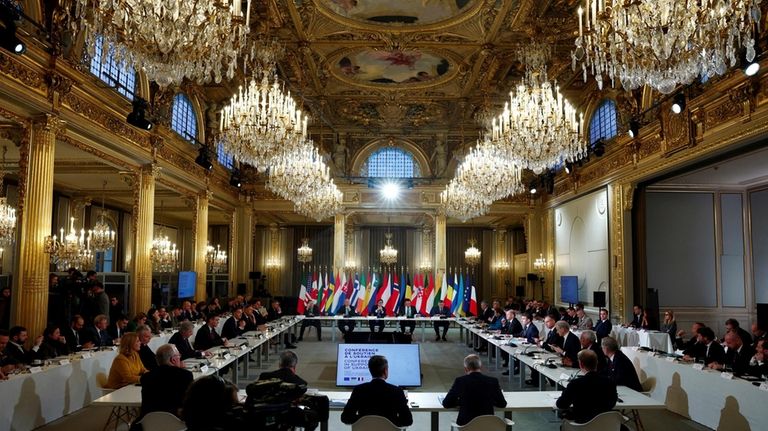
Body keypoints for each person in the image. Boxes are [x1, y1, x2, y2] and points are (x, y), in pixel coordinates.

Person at [340, 355, 413, 427]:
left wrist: (364, 420)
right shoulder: (397, 391)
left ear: (370, 370)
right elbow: (407, 420)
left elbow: (345, 418)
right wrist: (391, 421)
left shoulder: (358, 390)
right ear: (385, 370)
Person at [442, 354, 506, 426]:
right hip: (487, 425)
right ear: (480, 367)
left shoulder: (460, 381)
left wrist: (461, 401)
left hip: (466, 426)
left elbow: (446, 403)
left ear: (465, 369)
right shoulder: (493, 381)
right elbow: (502, 404)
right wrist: (489, 400)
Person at [556, 349, 618, 424]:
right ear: (596, 363)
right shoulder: (609, 382)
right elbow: (612, 403)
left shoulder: (575, 384)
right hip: (605, 424)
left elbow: (561, 404)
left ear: (581, 364)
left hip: (582, 425)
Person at [137, 344, 193, 422]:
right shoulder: (185, 375)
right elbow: (188, 403)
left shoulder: (146, 377)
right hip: (177, 422)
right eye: (179, 356)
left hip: (150, 423)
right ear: (173, 360)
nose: (180, 358)